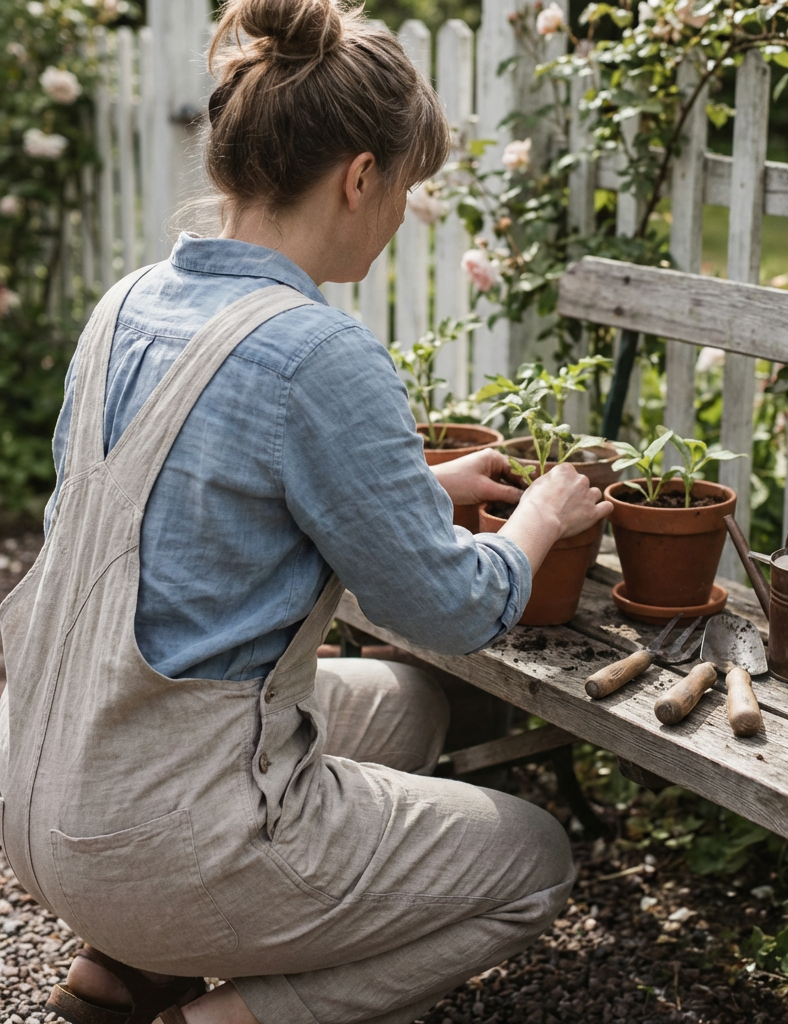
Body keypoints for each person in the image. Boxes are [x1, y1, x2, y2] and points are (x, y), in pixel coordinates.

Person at [0, 1, 612, 1022]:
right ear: (360, 176)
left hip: (41, 786)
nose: (396, 213)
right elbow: (452, 612)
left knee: (411, 708)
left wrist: (424, 488)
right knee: (533, 859)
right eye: (404, 188)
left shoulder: (128, 306)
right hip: (156, 838)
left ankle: (119, 971)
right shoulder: (315, 354)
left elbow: (205, 493)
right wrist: (538, 518)